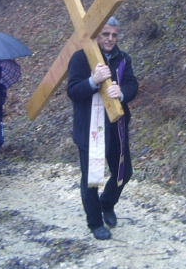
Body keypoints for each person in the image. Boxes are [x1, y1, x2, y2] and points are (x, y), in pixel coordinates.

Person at [67, 16, 139, 240]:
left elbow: (132, 84)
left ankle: (107, 204)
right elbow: (73, 92)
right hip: (90, 130)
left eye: (114, 35)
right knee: (92, 178)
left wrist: (123, 93)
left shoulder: (123, 58)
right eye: (106, 34)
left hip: (116, 126)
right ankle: (95, 222)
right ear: (97, 33)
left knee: (123, 172)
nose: (110, 39)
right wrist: (92, 80)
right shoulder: (80, 58)